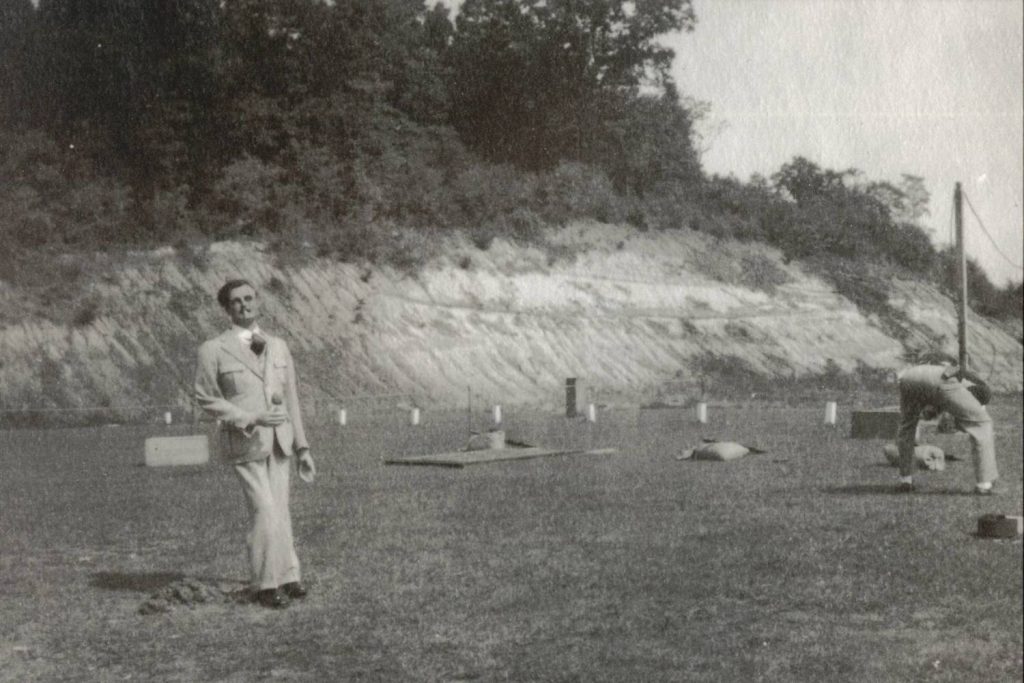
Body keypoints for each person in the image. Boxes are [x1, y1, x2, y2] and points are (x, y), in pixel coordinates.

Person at [194, 278, 316, 608]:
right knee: (263, 510)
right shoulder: (213, 349)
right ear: (226, 308)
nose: (244, 305)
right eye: (236, 301)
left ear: (258, 302)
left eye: (249, 298)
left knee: (280, 510)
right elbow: (205, 397)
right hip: (245, 441)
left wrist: (302, 447)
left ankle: (289, 576)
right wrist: (250, 418)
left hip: (280, 441)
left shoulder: (277, 345)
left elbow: (291, 398)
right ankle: (264, 584)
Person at [894, 355, 998, 494]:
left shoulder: (955, 372)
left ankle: (905, 480)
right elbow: (967, 408)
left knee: (907, 426)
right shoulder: (981, 388)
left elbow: (939, 404)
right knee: (982, 424)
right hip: (941, 379)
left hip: (909, 377)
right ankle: (984, 484)